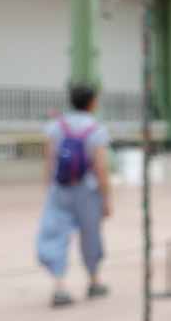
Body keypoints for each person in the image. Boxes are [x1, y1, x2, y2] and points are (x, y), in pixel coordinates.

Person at [35, 83, 113, 308]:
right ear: (92, 102)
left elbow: (49, 160)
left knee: (55, 234)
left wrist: (49, 187)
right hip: (87, 190)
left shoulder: (56, 126)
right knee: (91, 234)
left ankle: (59, 286)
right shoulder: (96, 129)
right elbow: (101, 167)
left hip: (60, 188)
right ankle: (94, 281)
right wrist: (106, 198)